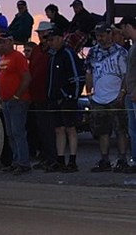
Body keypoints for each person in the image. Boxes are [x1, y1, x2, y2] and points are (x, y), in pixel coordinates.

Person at [85, 22, 130, 173]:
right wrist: (89, 91)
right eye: (98, 36)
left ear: (110, 34)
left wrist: (122, 93)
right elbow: (89, 72)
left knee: (120, 130)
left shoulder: (121, 52)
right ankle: (105, 159)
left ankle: (122, 158)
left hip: (116, 97)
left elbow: (126, 75)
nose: (100, 38)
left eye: (103, 35)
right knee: (102, 131)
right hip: (98, 98)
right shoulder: (93, 52)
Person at [0, 29, 32, 175]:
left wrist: (16, 96)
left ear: (9, 41)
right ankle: (16, 161)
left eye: (1, 42)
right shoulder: (3, 58)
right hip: (7, 101)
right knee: (11, 133)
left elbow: (26, 78)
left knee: (18, 132)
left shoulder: (18, 57)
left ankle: (23, 163)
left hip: (17, 101)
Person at [45, 26, 85, 173]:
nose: (50, 43)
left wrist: (70, 96)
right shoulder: (53, 56)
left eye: (52, 39)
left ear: (61, 38)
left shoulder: (68, 54)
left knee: (70, 129)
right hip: (54, 99)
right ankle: (60, 159)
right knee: (58, 129)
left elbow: (77, 77)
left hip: (67, 99)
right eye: (48, 40)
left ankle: (73, 161)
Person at [28, 21, 59, 172]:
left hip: (48, 95)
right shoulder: (36, 50)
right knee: (41, 129)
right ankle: (45, 157)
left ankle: (52, 159)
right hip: (37, 95)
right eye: (40, 33)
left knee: (49, 129)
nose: (42, 36)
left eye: (44, 33)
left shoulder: (53, 51)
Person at [117, 16, 136, 173]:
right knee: (132, 130)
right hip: (130, 94)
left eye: (122, 27)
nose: (121, 32)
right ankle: (135, 160)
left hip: (134, 94)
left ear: (129, 26)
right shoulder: (132, 46)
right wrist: (125, 91)